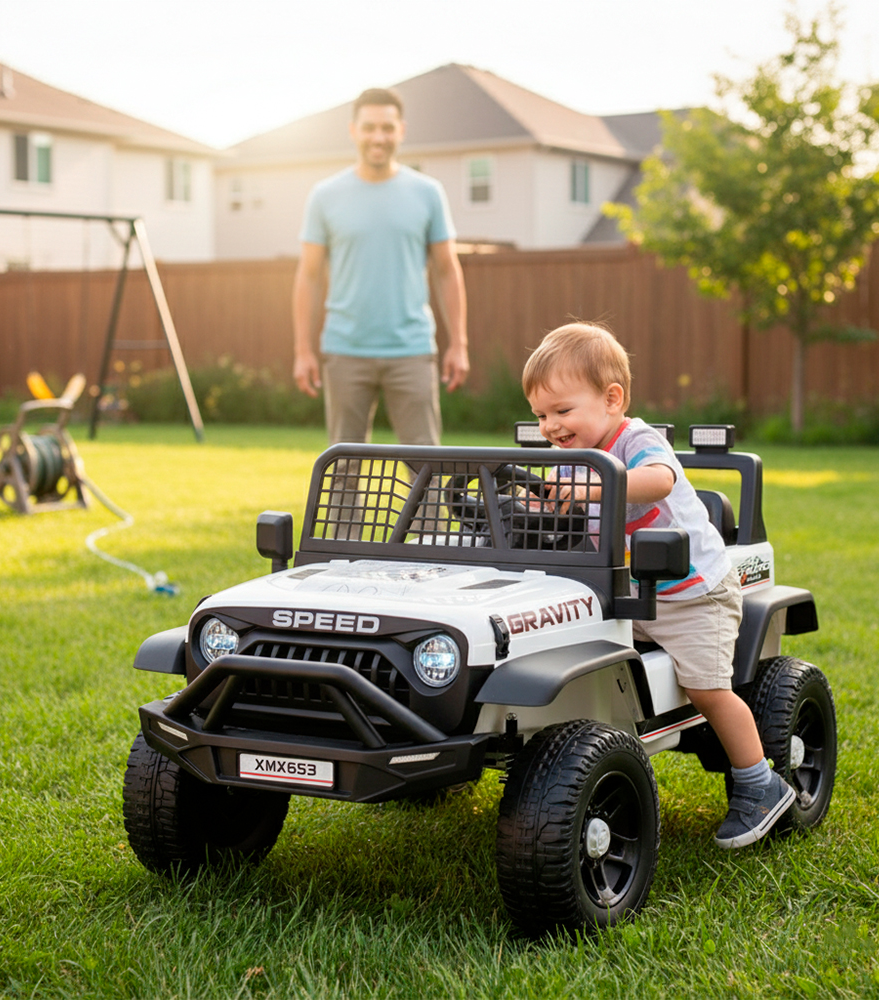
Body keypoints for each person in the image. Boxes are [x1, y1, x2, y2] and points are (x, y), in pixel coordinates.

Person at [521, 322, 795, 849]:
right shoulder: (576, 458)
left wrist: (593, 485)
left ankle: (759, 783)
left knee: (707, 689)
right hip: (630, 593)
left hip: (695, 595)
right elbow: (563, 509)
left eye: (562, 410)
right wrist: (539, 501)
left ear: (612, 399)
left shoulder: (637, 440)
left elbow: (659, 480)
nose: (550, 426)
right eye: (540, 415)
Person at [292, 87, 469, 447]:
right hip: (345, 349)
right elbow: (308, 276)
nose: (378, 137)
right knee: (345, 467)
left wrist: (459, 344)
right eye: (369, 127)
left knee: (426, 465)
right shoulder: (325, 196)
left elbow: (447, 270)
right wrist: (302, 350)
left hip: (412, 349)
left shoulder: (428, 193)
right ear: (353, 130)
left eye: (387, 128)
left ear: (401, 131)